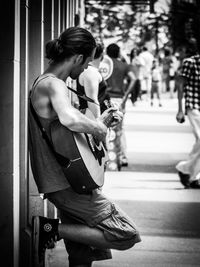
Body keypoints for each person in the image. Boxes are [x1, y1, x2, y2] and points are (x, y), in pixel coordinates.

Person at [29, 27, 141, 267]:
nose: (87, 69)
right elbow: (69, 119)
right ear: (78, 58)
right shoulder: (53, 84)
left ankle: (53, 230)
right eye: (88, 62)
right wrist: (99, 129)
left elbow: (64, 132)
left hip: (68, 179)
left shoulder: (49, 83)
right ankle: (49, 229)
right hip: (67, 184)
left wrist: (100, 122)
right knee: (127, 233)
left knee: (82, 255)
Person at [106, 43, 136, 167]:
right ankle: (122, 157)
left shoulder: (104, 66)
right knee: (120, 129)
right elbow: (133, 79)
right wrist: (126, 96)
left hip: (105, 98)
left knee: (105, 128)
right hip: (119, 99)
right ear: (118, 53)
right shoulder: (124, 66)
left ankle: (106, 156)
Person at [176, 39, 200, 189]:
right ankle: (190, 172)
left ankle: (189, 171)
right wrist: (180, 109)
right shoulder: (190, 62)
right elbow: (180, 85)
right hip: (194, 105)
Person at [77, 42, 110, 118]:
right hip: (91, 120)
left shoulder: (90, 71)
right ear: (102, 55)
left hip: (90, 119)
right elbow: (92, 101)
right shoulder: (90, 72)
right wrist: (98, 124)